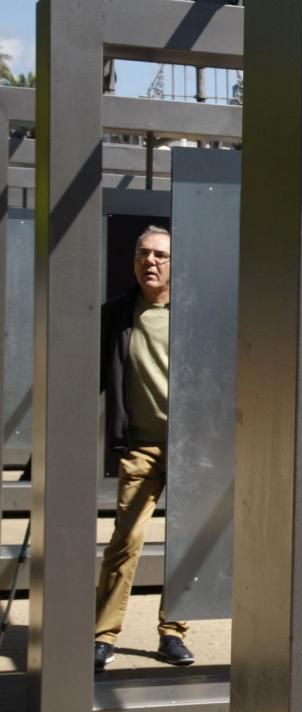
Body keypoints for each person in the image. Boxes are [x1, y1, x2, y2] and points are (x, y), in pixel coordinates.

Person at [94, 226, 194, 672]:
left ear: (175, 264)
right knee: (126, 541)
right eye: (143, 254)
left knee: (187, 542)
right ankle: (103, 634)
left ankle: (173, 632)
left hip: (194, 450)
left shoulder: (193, 312)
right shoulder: (116, 314)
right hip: (141, 446)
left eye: (159, 255)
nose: (150, 262)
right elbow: (93, 379)